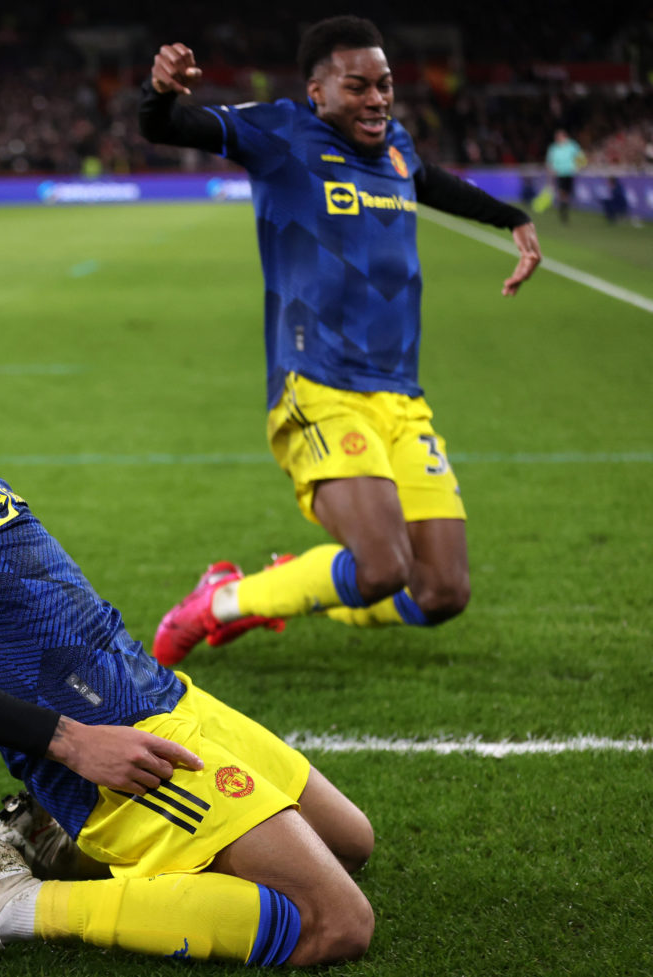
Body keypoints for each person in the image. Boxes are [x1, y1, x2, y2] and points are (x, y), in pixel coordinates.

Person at [0, 211, 375, 968]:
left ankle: (59, 839)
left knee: (349, 841)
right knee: (334, 923)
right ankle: (7, 905)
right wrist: (68, 743)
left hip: (152, 689)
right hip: (106, 728)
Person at [138, 16, 543, 666]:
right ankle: (220, 602)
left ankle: (294, 582)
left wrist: (513, 219)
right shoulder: (279, 133)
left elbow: (429, 178)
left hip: (403, 400)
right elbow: (168, 127)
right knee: (382, 567)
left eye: (384, 85)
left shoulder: (396, 147)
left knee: (441, 589)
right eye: (358, 87)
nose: (377, 99)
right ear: (317, 92)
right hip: (320, 385)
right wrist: (160, 93)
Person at [545, 129, 586, 223]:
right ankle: (563, 212)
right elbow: (549, 161)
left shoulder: (572, 146)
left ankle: (564, 209)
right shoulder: (553, 148)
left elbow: (580, 157)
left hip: (569, 173)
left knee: (567, 194)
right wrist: (550, 171)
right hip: (559, 173)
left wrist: (579, 167)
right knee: (562, 192)